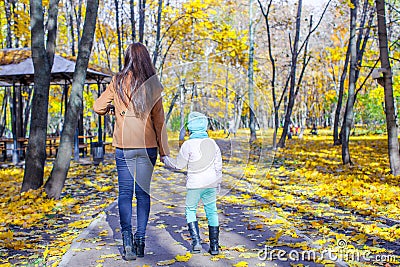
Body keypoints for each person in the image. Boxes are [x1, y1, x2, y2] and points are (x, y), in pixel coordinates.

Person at [93, 43, 170, 261]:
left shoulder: (117, 81)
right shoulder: (153, 85)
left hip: (124, 146)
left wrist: (113, 108)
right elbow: (159, 121)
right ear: (146, 59)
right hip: (147, 147)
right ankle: (141, 240)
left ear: (127, 58)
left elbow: (98, 106)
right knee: (143, 194)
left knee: (125, 194)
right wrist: (164, 151)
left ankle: (126, 240)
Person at [163, 112, 222, 255]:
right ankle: (214, 246)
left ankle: (196, 242)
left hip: (194, 185)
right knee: (211, 212)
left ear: (190, 128)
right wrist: (218, 182)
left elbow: (179, 165)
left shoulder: (188, 145)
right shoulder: (212, 143)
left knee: (190, 210)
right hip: (210, 184)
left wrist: (165, 159)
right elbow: (218, 166)